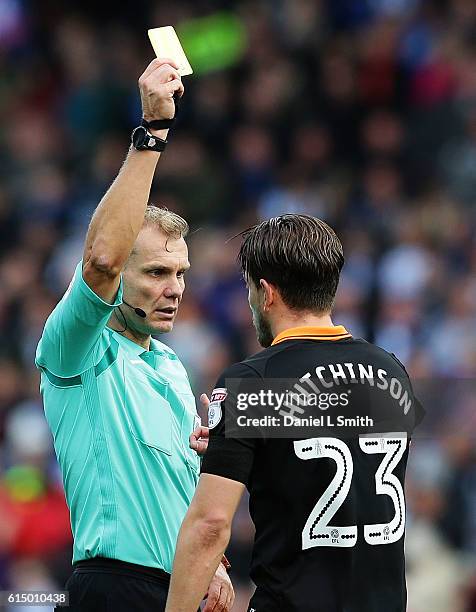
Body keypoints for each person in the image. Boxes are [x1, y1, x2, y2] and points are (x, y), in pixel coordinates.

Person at [35, 58, 233, 612]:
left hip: (181, 591)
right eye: (155, 273)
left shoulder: (170, 364)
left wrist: (212, 562)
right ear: (123, 274)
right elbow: (100, 260)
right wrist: (151, 134)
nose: (174, 289)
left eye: (181, 274)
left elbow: (175, 491)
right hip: (114, 589)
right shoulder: (76, 348)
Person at [165, 214, 424, 612]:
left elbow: (210, 525)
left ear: (266, 293)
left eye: (250, 289)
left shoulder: (255, 382)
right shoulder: (390, 371)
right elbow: (339, 458)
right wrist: (236, 451)